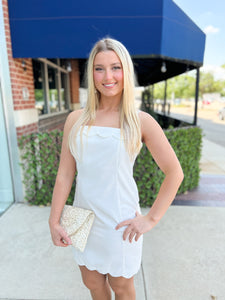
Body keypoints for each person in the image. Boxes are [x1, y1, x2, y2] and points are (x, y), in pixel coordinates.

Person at [49, 37, 184, 300]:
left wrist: (151, 219)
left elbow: (174, 172)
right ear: (92, 74)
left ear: (126, 71)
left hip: (118, 222)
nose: (107, 76)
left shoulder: (139, 121)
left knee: (121, 287)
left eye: (115, 67)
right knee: (91, 282)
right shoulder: (75, 119)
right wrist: (54, 220)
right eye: (99, 68)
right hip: (82, 218)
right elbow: (65, 174)